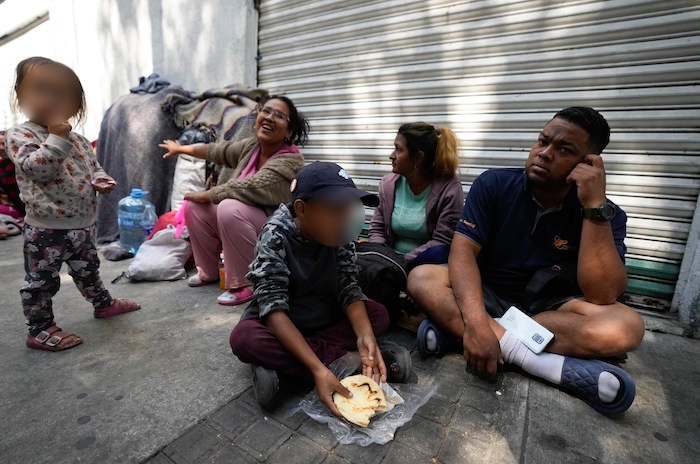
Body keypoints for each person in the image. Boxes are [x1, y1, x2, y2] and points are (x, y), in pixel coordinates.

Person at [408, 107, 645, 415]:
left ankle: (461, 335)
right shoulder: (493, 184)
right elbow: (463, 252)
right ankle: (539, 363)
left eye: (563, 149)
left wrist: (593, 207)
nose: (544, 153)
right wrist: (478, 321)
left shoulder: (606, 214)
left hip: (553, 307)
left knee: (627, 327)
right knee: (421, 277)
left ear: (589, 164)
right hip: (489, 295)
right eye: (542, 141)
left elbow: (603, 295)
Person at [229, 162, 413, 412]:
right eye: (335, 209)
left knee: (377, 315)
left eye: (348, 209)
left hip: (324, 312)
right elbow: (273, 309)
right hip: (285, 318)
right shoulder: (275, 236)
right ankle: (342, 365)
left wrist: (365, 337)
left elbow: (349, 287)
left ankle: (289, 371)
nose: (345, 218)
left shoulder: (340, 232)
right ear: (302, 209)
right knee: (245, 339)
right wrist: (318, 368)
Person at [5, 57, 140, 351]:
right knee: (42, 281)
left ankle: (102, 304)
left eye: (63, 94)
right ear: (19, 94)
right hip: (45, 228)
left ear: (78, 105)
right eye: (42, 90)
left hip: (82, 224)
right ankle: (39, 329)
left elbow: (93, 167)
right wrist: (56, 138)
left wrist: (101, 179)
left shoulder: (78, 140)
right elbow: (38, 168)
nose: (53, 99)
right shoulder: (21, 135)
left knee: (88, 269)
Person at [160, 95, 306, 306]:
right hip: (245, 224)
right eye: (266, 111)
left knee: (228, 206)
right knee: (194, 206)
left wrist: (208, 194)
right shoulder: (252, 147)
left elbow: (251, 186)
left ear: (289, 131)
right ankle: (208, 271)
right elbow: (216, 151)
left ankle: (245, 283)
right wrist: (180, 149)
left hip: (276, 236)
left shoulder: (290, 161)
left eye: (279, 116)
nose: (269, 117)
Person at [369, 122, 463, 265]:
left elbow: (441, 242)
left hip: (427, 265)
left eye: (398, 149)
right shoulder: (387, 185)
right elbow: (377, 230)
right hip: (388, 263)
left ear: (418, 158)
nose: (391, 156)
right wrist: (380, 258)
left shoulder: (449, 189)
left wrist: (402, 261)